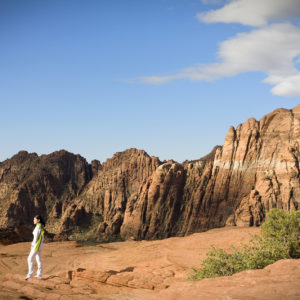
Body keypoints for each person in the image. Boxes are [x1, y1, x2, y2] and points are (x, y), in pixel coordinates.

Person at [25, 215, 45, 280]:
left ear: (38, 220)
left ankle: (30, 275)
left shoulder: (38, 227)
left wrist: (32, 245)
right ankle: (39, 275)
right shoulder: (41, 226)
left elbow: (36, 238)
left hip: (36, 245)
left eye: (34, 219)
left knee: (29, 258)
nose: (33, 220)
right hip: (40, 245)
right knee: (38, 259)